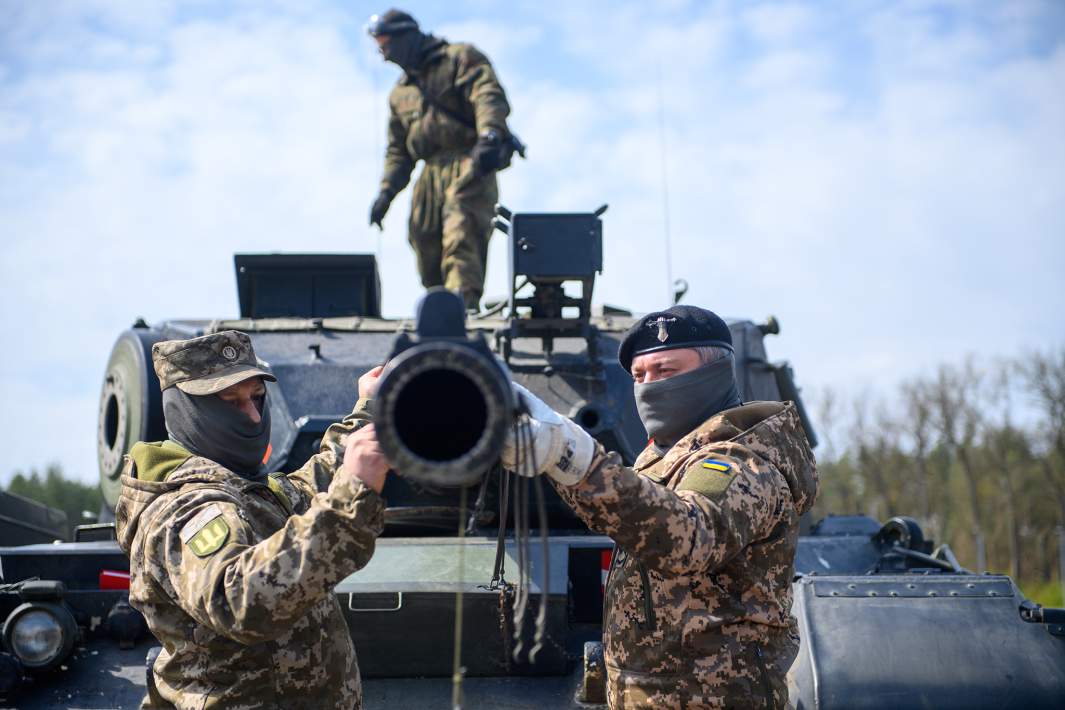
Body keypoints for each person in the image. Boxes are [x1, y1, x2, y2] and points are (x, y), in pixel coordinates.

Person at [502, 306, 819, 708]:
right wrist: (557, 462)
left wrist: (571, 457)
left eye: (666, 371)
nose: (649, 387)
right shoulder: (665, 457)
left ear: (714, 374)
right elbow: (634, 515)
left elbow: (688, 535)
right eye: (639, 376)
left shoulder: (744, 461)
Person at [114, 330, 389, 709]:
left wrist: (368, 413)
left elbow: (308, 488)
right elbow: (240, 600)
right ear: (186, 410)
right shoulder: (183, 509)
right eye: (231, 402)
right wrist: (351, 498)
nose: (253, 415)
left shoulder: (244, 487)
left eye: (257, 398)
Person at [366, 8, 515, 312]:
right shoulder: (400, 94)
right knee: (423, 237)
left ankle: (462, 304)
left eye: (386, 45)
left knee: (461, 228)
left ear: (405, 37)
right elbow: (398, 151)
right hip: (429, 172)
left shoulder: (458, 58)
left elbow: (487, 95)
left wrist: (489, 135)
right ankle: (441, 308)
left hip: (468, 160)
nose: (383, 55)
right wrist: (386, 192)